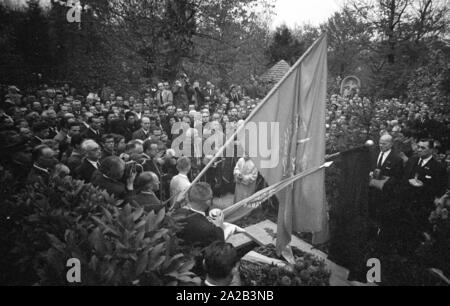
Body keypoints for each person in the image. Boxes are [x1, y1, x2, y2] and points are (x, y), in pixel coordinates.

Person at [175, 182, 224, 248]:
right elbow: (220, 247)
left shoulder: (177, 213)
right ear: (208, 202)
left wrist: (177, 203)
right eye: (211, 198)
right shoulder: (210, 229)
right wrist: (219, 227)